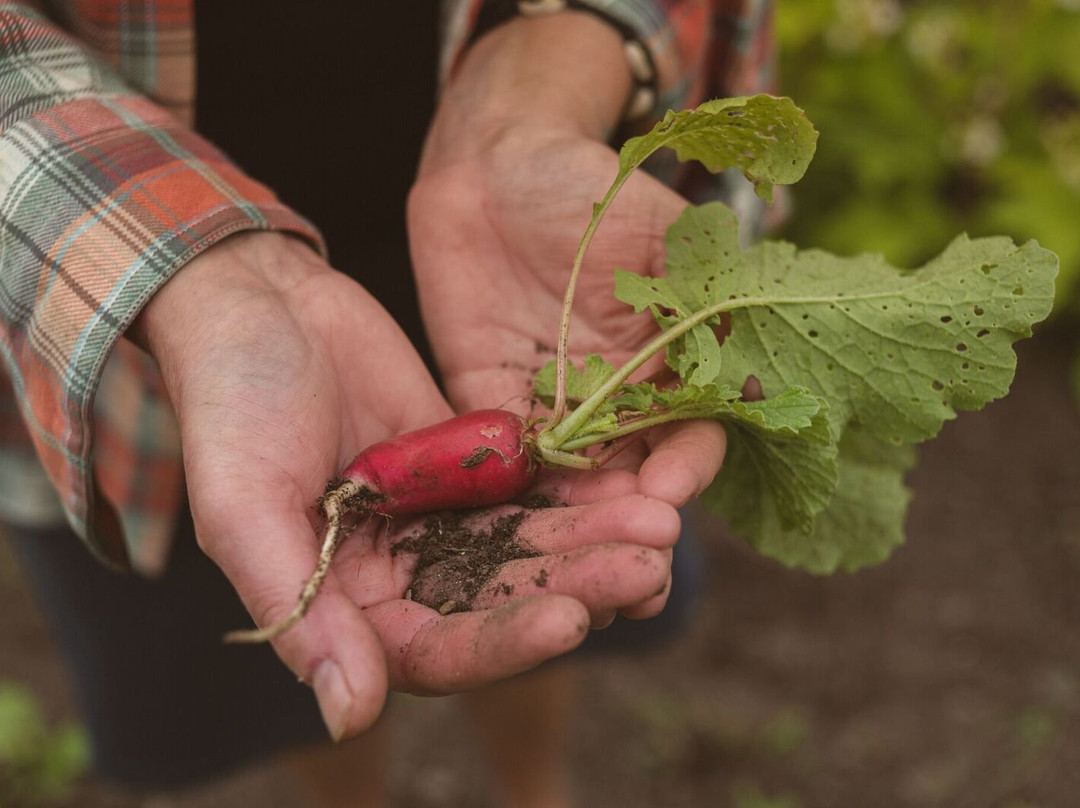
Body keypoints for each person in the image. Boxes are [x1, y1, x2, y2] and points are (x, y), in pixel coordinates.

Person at [0, 0, 775, 805]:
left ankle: (533, 790)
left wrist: (541, 74)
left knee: (535, 597)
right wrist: (190, 269)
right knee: (310, 606)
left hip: (510, 241)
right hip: (151, 266)